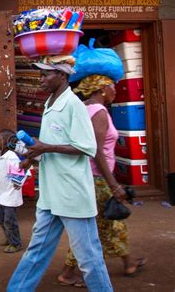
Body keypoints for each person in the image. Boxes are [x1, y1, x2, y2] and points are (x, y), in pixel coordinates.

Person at [7, 56, 113, 292]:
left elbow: (87, 147)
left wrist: (46, 148)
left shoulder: (73, 105)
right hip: (51, 195)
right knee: (36, 252)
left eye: (46, 75)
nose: (40, 79)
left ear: (62, 76)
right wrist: (32, 158)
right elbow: (51, 144)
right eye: (40, 74)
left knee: (89, 259)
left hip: (72, 195)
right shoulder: (50, 103)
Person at [56, 75, 147, 287]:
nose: (116, 90)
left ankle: (128, 261)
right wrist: (113, 184)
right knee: (96, 226)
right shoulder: (100, 113)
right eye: (112, 86)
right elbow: (95, 150)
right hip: (97, 178)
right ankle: (67, 272)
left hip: (88, 176)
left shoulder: (83, 109)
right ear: (103, 89)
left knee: (109, 223)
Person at [0, 129, 25, 253]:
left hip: (11, 195)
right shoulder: (0, 154)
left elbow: (22, 171)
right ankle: (9, 237)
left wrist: (18, 183)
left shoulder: (11, 157)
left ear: (8, 143)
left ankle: (16, 243)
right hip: (2, 194)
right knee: (0, 218)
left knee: (9, 220)